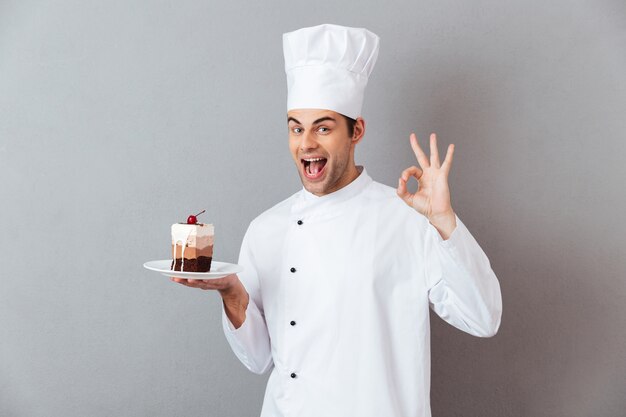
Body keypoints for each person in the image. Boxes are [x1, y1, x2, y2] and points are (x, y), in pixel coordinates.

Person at [172, 23, 502, 417]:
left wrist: (445, 221)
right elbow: (258, 360)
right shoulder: (267, 229)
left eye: (323, 128)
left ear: (356, 131)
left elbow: (483, 318)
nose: (306, 143)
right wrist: (232, 294)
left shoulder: (408, 218)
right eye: (296, 128)